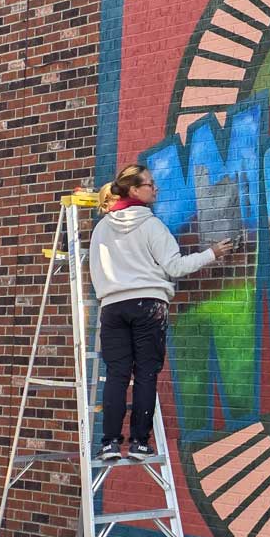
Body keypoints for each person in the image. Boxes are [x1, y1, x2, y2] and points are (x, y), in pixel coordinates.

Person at [89, 164, 234, 461]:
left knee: (116, 375)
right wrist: (212, 254)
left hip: (112, 308)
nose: (156, 188)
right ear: (134, 190)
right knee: (145, 374)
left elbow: (94, 271)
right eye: (150, 184)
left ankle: (109, 444)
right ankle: (140, 442)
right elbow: (175, 267)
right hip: (148, 306)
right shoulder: (151, 225)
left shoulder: (102, 228)